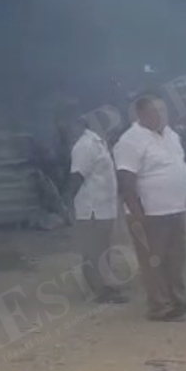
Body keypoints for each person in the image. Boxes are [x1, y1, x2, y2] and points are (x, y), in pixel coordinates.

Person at [114, 96, 186, 321]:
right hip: (150, 212)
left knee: (176, 256)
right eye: (155, 111)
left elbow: (179, 167)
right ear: (140, 114)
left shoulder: (171, 135)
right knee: (153, 260)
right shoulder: (130, 141)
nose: (161, 115)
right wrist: (137, 214)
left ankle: (178, 297)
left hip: (175, 208)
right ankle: (159, 306)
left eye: (163, 110)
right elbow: (126, 180)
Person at [64, 117, 128, 304]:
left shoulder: (99, 143)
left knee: (103, 249)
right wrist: (66, 204)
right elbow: (76, 176)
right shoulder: (85, 145)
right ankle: (97, 291)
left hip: (104, 206)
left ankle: (104, 285)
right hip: (92, 207)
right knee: (93, 250)